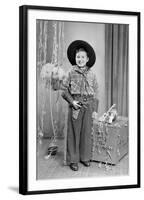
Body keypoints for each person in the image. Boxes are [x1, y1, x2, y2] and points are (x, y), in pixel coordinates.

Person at [62, 40, 99, 171]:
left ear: (87, 59)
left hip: (88, 105)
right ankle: (73, 160)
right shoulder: (70, 72)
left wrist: (95, 109)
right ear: (75, 59)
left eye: (83, 57)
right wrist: (72, 102)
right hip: (76, 105)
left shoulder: (92, 74)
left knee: (86, 133)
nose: (80, 59)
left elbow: (96, 92)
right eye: (78, 57)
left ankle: (85, 157)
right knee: (74, 133)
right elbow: (64, 90)